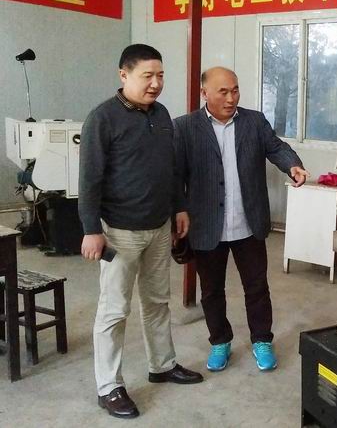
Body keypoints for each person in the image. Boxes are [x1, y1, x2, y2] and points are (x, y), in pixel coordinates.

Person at [79, 44, 203, 420]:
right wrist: (91, 229)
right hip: (119, 232)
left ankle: (162, 365)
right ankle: (109, 387)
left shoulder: (162, 115)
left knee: (157, 302)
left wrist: (179, 206)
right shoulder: (102, 118)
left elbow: (170, 168)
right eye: (147, 75)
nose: (155, 83)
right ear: (124, 75)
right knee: (114, 310)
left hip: (159, 227)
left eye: (160, 75)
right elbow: (89, 180)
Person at [173, 66, 309, 373]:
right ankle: (220, 341)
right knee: (211, 291)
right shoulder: (184, 127)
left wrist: (292, 165)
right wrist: (178, 211)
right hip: (207, 225)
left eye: (235, 90)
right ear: (204, 93)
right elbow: (175, 176)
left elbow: (277, 147)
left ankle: (262, 340)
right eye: (223, 91)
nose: (231, 98)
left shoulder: (254, 121)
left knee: (257, 287)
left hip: (249, 223)